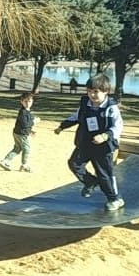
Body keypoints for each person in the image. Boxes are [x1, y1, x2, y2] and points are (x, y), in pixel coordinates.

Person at [53, 73, 125, 212]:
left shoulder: (111, 108)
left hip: (102, 147)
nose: (92, 95)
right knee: (74, 164)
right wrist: (62, 126)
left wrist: (105, 136)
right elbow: (76, 116)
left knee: (104, 174)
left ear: (105, 91)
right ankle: (90, 182)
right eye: (89, 91)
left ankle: (115, 199)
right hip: (85, 143)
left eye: (96, 92)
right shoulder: (85, 103)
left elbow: (118, 127)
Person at [0, 92, 39, 172]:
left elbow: (25, 124)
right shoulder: (23, 112)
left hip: (18, 133)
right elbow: (25, 124)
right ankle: (24, 165)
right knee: (27, 149)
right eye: (25, 101)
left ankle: (5, 161)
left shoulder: (28, 111)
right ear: (21, 101)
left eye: (29, 101)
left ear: (32, 101)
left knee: (17, 148)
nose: (27, 103)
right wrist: (34, 121)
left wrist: (31, 130)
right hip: (21, 134)